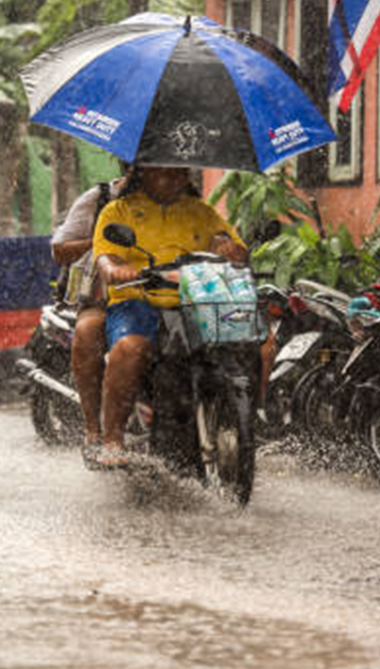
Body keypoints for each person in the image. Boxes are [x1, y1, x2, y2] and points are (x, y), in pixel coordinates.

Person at [88, 165, 247, 468]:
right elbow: (105, 259)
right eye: (168, 172)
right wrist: (115, 270)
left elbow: (227, 243)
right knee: (129, 349)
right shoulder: (116, 211)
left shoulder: (201, 211)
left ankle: (244, 420)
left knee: (253, 343)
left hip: (195, 302)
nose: (178, 178)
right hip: (137, 302)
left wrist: (229, 249)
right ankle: (112, 439)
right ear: (144, 172)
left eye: (182, 172)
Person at [49, 166, 130, 454]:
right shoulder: (100, 199)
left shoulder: (184, 202)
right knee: (87, 333)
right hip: (102, 298)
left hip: (163, 297)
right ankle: (94, 430)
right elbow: (59, 251)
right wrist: (98, 243)